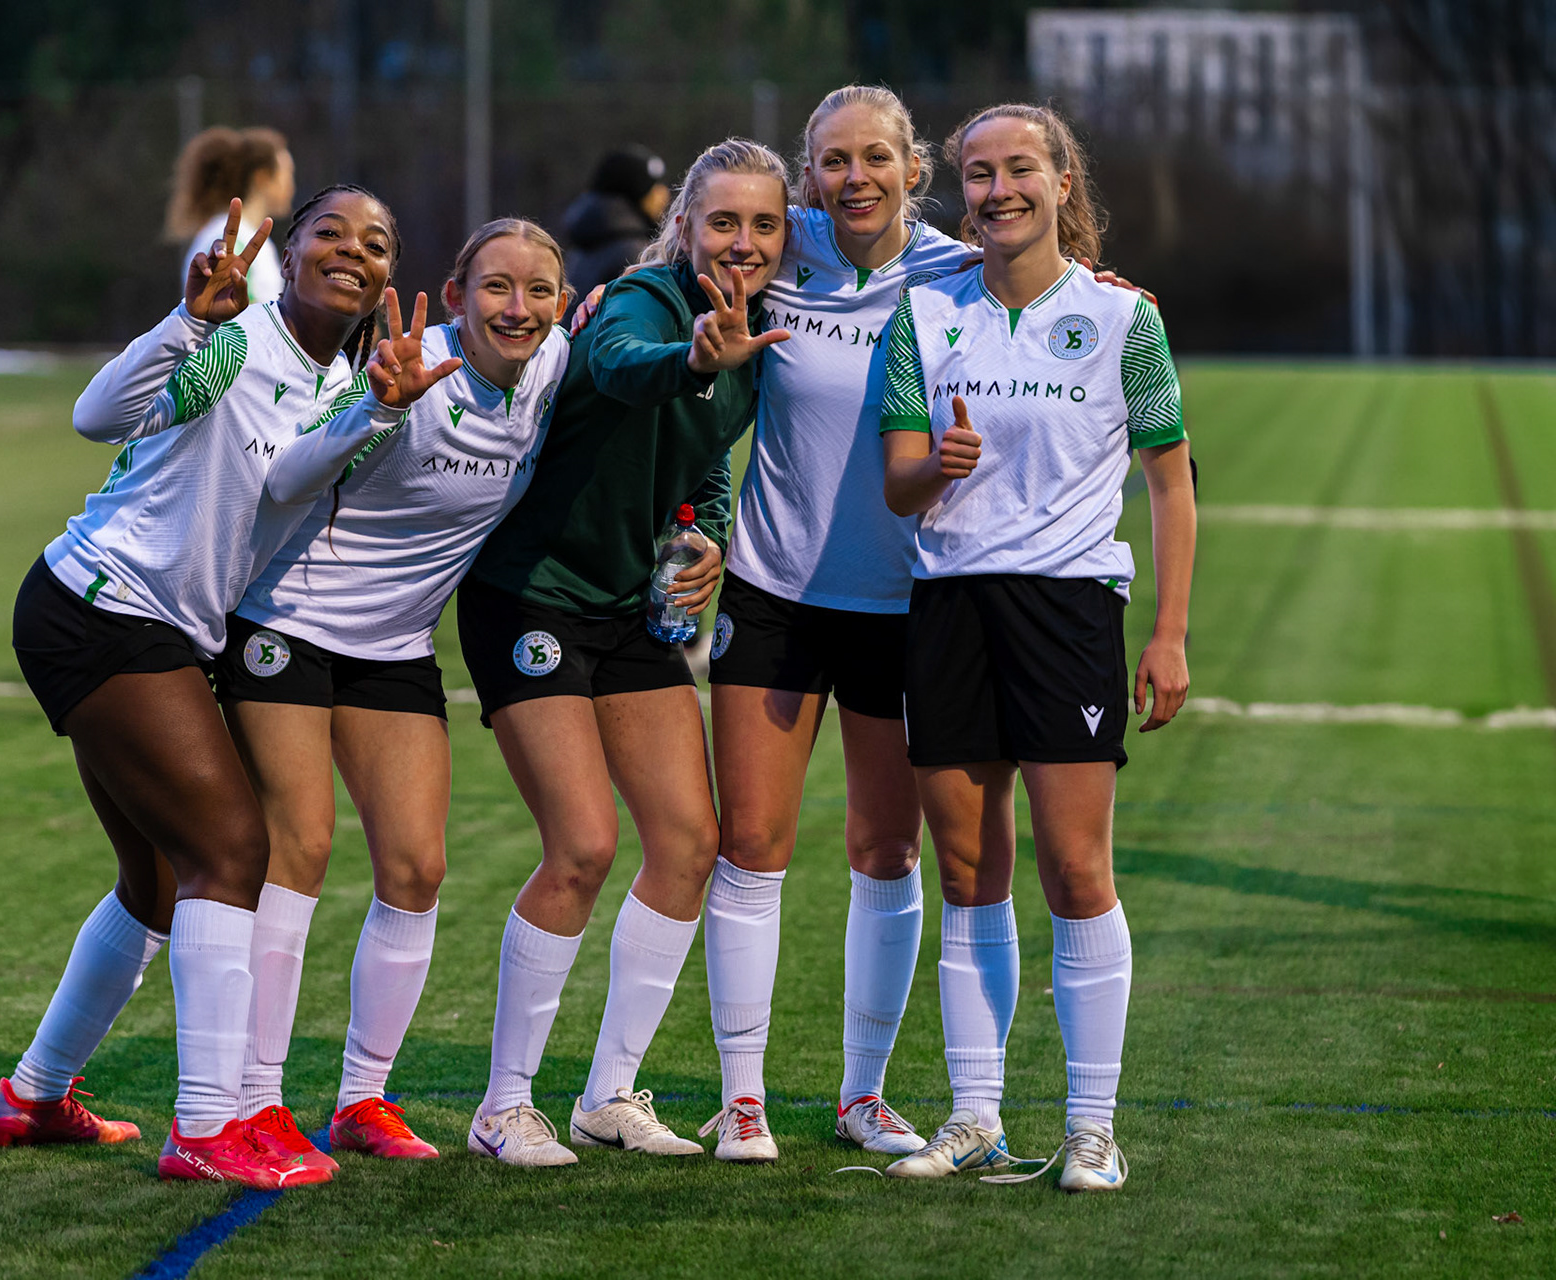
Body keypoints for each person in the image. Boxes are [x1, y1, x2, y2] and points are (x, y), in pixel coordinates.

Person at [0, 187, 435, 1188]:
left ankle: (32, 1095)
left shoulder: (346, 382)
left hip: (150, 625)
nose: (351, 251)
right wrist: (188, 321)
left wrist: (380, 409)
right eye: (330, 231)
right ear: (296, 248)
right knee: (232, 848)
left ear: (388, 276)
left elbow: (287, 480)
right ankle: (204, 1127)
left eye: (376, 242)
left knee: (154, 883)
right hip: (103, 606)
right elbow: (94, 414)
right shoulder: (235, 340)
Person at [874, 102, 1194, 1192]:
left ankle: (1092, 1127)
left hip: (1067, 611)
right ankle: (974, 1115)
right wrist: (940, 464)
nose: (997, 190)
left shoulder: (1121, 317)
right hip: (950, 603)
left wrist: (1167, 633)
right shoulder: (923, 312)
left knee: (1074, 867)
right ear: (958, 190)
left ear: (1063, 183)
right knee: (967, 869)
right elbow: (899, 481)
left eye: (1020, 170)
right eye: (977, 174)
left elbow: (1169, 479)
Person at [457, 138, 792, 1168]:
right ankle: (503, 1103)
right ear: (685, 225)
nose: (741, 242)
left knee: (691, 840)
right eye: (722, 221)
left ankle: (610, 1091)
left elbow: (707, 457)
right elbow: (622, 368)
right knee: (585, 844)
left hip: (626, 610)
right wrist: (697, 357)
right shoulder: (646, 301)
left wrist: (709, 536)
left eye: (764, 226)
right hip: (533, 595)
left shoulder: (758, 329)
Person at [209, 219, 573, 1164]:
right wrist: (372, 409)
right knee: (300, 846)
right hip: (285, 620)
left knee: (415, 867)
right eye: (496, 287)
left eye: (539, 291)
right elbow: (285, 476)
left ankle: (362, 1100)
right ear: (456, 296)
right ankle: (255, 1100)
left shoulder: (554, 362)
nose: (518, 308)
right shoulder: (404, 366)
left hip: (395, 647)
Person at [697, 84, 974, 1164]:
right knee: (751, 843)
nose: (852, 178)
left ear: (913, 168)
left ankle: (864, 1092)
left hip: (905, 601)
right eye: (832, 162)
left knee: (884, 847)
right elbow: (694, 235)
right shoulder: (785, 243)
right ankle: (743, 1096)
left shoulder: (955, 270)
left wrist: (1106, 284)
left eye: (875, 158)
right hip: (771, 592)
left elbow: (1051, 295)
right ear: (808, 174)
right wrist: (607, 295)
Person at [164, 126, 296, 305]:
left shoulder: (253, 239)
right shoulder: (232, 240)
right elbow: (237, 322)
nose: (292, 187)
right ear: (262, 177)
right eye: (288, 174)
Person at [561, 145, 671, 300]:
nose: (664, 194)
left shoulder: (586, 242)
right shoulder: (634, 254)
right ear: (634, 192)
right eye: (653, 186)